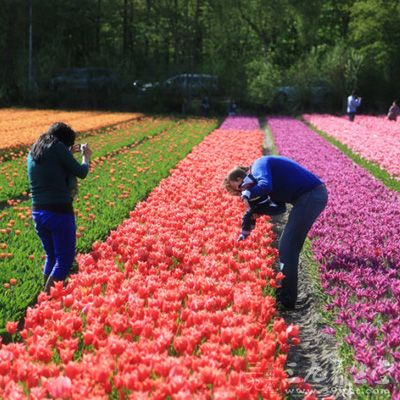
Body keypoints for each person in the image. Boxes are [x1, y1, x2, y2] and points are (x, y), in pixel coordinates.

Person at [223, 155, 328, 309]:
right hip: (308, 198)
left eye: (239, 188)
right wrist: (261, 209)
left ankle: (287, 299)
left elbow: (266, 186)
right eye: (239, 193)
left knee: (287, 246)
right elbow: (280, 208)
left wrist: (247, 194)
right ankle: (286, 295)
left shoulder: (258, 165)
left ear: (241, 177)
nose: (242, 193)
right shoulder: (257, 179)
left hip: (311, 196)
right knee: (288, 245)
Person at [27, 122, 92, 293]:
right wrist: (86, 156)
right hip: (58, 212)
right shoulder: (58, 147)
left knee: (52, 256)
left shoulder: (35, 150)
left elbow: (52, 168)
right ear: (64, 142)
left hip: (38, 212)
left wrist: (67, 153)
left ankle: (42, 299)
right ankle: (49, 301)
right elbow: (81, 172)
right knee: (65, 259)